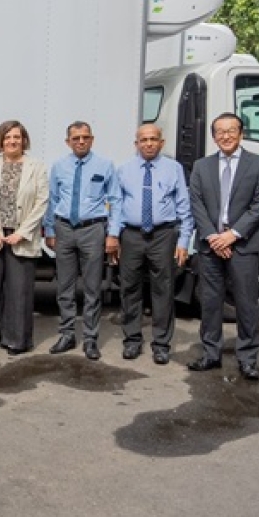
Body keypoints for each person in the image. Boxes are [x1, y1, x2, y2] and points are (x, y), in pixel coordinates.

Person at [187, 112, 259, 380]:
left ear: (241, 133)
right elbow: (196, 204)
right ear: (213, 137)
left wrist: (232, 235)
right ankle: (211, 354)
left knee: (246, 303)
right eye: (220, 132)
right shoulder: (201, 166)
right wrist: (214, 236)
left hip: (243, 245)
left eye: (231, 130)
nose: (225, 136)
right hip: (210, 245)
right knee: (211, 303)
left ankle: (247, 359)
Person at [112, 124, 193, 365]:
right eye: (143, 140)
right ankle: (132, 340)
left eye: (153, 139)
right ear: (136, 143)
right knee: (129, 288)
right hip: (132, 235)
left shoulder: (174, 169)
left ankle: (161, 344)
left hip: (163, 235)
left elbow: (184, 207)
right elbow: (117, 205)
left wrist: (184, 241)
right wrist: (114, 236)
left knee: (163, 289)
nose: (148, 143)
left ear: (162, 142)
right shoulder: (124, 170)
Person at [44, 121, 122, 360]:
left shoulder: (105, 165)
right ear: (68, 141)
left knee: (92, 288)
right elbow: (53, 198)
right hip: (64, 229)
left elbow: (115, 200)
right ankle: (67, 334)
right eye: (76, 138)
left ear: (92, 139)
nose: (81, 141)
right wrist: (49, 230)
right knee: (65, 288)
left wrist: (113, 234)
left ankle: (90, 338)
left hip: (93, 230)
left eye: (85, 137)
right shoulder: (59, 166)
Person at [0, 120, 49, 355]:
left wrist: (22, 233)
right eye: (7, 138)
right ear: (0, 142)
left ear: (24, 140)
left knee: (20, 292)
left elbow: (41, 201)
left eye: (17, 137)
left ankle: (17, 340)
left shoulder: (37, 167)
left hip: (20, 237)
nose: (12, 141)